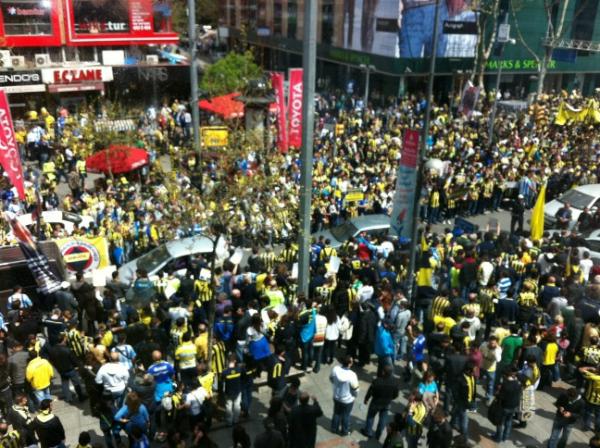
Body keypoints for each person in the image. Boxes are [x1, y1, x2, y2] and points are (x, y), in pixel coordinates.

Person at [361, 364, 400, 439]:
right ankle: (378, 434)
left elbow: (370, 391)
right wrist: (390, 398)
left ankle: (368, 432)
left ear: (383, 372)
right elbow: (396, 395)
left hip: (376, 402)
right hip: (387, 403)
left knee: (371, 416)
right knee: (383, 419)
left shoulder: (377, 381)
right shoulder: (395, 382)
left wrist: (366, 399)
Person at [330, 355, 359, 436]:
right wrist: (355, 395)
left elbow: (331, 378)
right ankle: (344, 431)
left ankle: (334, 428)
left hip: (336, 397)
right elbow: (356, 389)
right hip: (347, 400)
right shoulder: (352, 375)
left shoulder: (335, 369)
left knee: (336, 413)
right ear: (349, 364)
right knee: (346, 416)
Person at [493, 367, 522, 443]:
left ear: (505, 375)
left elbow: (501, 397)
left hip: (505, 407)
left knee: (500, 422)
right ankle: (505, 437)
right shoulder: (518, 383)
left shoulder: (505, 385)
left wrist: (497, 393)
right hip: (513, 407)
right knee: (508, 422)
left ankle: (498, 438)